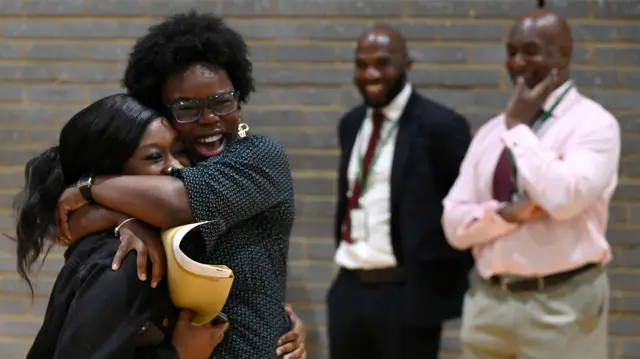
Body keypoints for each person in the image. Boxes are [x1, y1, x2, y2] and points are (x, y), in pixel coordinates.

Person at [54, 12, 300, 359]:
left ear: (239, 98)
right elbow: (60, 225)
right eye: (187, 107)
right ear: (163, 112)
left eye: (222, 101)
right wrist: (120, 220)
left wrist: (89, 186)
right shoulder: (166, 168)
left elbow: (177, 204)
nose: (209, 117)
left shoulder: (259, 157)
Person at [442, 9, 619, 359]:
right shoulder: (494, 131)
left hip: (562, 303)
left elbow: (563, 199)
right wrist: (509, 215)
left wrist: (520, 129)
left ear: (564, 55)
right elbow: (453, 225)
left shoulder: (594, 125)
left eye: (531, 51)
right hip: (488, 303)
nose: (518, 62)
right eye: (511, 52)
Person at [15, 94, 227, 359]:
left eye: (179, 151)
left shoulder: (162, 239)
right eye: (153, 157)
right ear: (112, 173)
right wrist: (178, 353)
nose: (175, 168)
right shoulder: (120, 259)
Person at [328, 24, 473, 359]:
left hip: (405, 296)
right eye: (361, 65)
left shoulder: (441, 126)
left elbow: (463, 208)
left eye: (382, 63)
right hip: (349, 288)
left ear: (407, 66)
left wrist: (438, 283)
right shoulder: (351, 124)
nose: (371, 74)